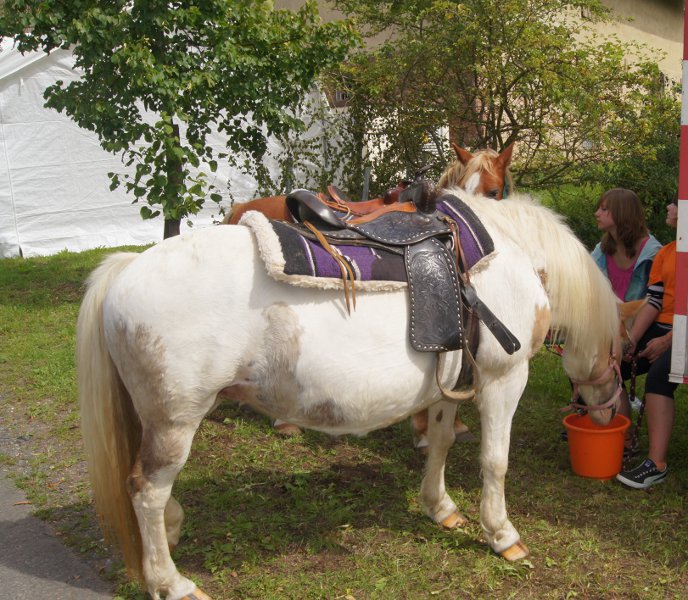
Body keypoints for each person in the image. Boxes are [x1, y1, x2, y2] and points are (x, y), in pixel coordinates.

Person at [616, 201, 679, 489]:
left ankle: (656, 464)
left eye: (676, 204)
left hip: (680, 334)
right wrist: (631, 341)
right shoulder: (666, 252)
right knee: (615, 364)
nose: (668, 206)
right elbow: (654, 302)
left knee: (659, 376)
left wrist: (668, 341)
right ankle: (623, 440)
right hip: (661, 328)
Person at [592, 188, 662, 302]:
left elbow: (657, 301)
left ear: (623, 212)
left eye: (604, 209)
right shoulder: (600, 251)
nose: (597, 213)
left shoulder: (652, 253)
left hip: (642, 319)